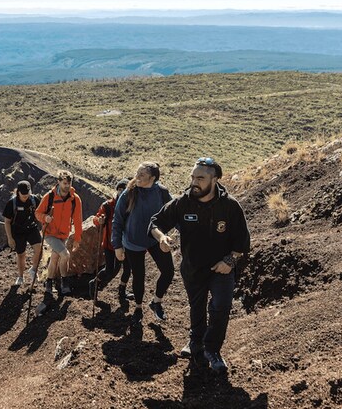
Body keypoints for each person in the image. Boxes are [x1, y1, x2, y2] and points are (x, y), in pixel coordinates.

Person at [149, 157, 250, 374]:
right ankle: (195, 342)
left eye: (201, 178)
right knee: (197, 306)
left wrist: (229, 261)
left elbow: (242, 242)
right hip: (193, 267)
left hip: (221, 268)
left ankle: (212, 350)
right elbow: (155, 223)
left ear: (214, 180)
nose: (195, 182)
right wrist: (161, 238)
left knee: (221, 306)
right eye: (193, 177)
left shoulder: (230, 206)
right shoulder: (183, 202)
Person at [113, 161, 173, 325]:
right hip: (133, 240)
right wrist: (117, 245)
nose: (137, 177)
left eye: (142, 175)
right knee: (139, 276)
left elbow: (174, 213)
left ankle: (156, 302)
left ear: (153, 178)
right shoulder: (129, 193)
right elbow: (117, 220)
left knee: (168, 272)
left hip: (155, 238)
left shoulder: (161, 192)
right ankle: (138, 307)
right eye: (137, 173)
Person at [36, 170, 83, 297]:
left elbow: (78, 220)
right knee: (65, 255)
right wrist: (45, 218)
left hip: (64, 234)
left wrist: (77, 239)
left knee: (56, 257)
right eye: (64, 183)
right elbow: (37, 213)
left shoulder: (75, 199)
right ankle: (64, 282)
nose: (67, 186)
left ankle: (49, 282)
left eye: (69, 183)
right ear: (58, 182)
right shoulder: (49, 196)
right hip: (50, 233)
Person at [88, 178, 133, 302]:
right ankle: (94, 283)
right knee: (110, 270)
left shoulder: (132, 205)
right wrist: (100, 221)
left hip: (126, 243)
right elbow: (96, 219)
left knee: (127, 269)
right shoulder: (108, 206)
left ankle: (122, 291)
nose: (121, 192)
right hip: (110, 244)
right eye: (119, 189)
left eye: (124, 190)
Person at [2, 180, 42, 286]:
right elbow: (7, 221)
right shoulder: (12, 203)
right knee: (21, 254)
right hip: (17, 231)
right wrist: (10, 238)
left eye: (27, 194)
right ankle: (20, 277)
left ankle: (33, 270)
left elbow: (41, 212)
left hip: (32, 228)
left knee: (39, 249)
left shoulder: (34, 200)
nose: (25, 196)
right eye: (23, 194)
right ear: (18, 192)